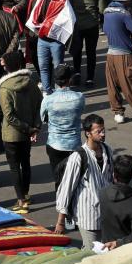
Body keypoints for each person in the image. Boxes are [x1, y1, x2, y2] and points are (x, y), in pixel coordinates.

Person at [54, 114, 115, 249]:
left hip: (106, 214)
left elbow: (111, 179)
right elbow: (66, 189)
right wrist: (60, 221)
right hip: (88, 216)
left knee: (106, 251)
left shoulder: (108, 150)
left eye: (104, 130)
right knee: (91, 252)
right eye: (98, 131)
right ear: (88, 133)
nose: (103, 134)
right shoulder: (78, 157)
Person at [0, 52, 42, 214]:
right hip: (28, 132)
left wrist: (27, 128)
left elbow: (8, 116)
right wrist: (34, 127)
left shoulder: (4, 88)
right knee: (26, 164)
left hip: (12, 134)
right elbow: (39, 105)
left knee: (15, 167)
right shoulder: (31, 82)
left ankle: (21, 201)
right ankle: (26, 194)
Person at [41, 64, 85, 193]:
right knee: (75, 178)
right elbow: (80, 112)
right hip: (74, 144)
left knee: (59, 179)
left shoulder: (48, 100)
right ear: (69, 79)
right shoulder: (79, 97)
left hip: (54, 143)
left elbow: (43, 117)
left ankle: (61, 207)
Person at [98, 153, 132, 250]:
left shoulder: (102, 193)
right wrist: (118, 243)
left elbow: (122, 192)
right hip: (125, 250)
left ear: (114, 175)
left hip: (105, 246)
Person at [67, 0, 102, 87]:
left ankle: (77, 74)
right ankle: (90, 78)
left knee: (77, 51)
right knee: (91, 52)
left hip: (77, 26)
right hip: (92, 25)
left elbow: (67, 8)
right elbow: (101, 9)